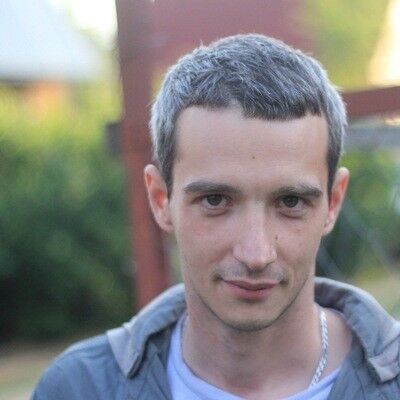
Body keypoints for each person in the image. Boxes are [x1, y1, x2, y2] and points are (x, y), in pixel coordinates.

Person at [32, 34, 400, 400]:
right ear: (161, 199)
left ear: (333, 202)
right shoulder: (80, 389)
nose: (256, 254)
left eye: (290, 201)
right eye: (215, 200)